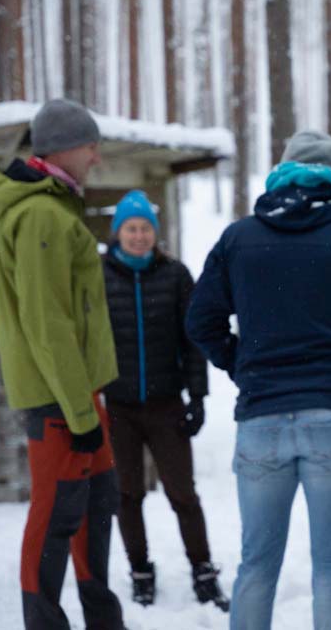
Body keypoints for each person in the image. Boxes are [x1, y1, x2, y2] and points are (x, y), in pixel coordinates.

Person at [185, 130, 331, 630]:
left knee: (257, 565)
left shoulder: (239, 238)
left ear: (282, 170)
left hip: (262, 417)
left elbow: (200, 322)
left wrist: (241, 366)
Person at [0, 99, 125, 630]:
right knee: (57, 514)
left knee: (97, 503)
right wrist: (79, 413)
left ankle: (102, 618)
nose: (96, 159)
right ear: (64, 148)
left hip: (82, 392)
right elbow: (47, 321)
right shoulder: (39, 214)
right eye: (90, 147)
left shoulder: (54, 206)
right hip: (59, 396)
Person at [100, 189, 227, 611]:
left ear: (155, 233)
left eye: (145, 229)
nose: (139, 236)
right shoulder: (99, 275)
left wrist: (198, 396)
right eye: (131, 229)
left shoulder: (175, 275)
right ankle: (140, 570)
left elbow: (192, 340)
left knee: (182, 493)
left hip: (166, 403)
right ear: (118, 233)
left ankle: (203, 570)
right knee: (127, 493)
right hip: (117, 406)